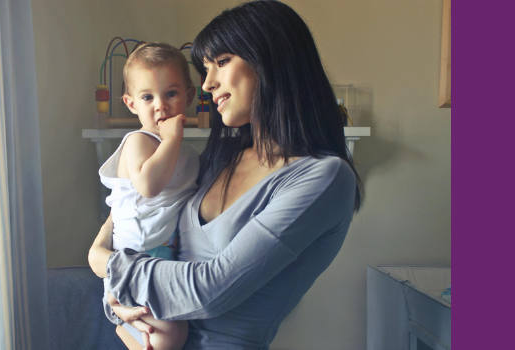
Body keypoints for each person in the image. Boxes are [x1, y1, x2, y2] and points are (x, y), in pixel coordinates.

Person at [88, 1, 364, 349]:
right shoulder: (222, 157)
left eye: (221, 62)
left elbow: (209, 291)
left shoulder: (323, 178)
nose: (207, 84)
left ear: (270, 59)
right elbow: (138, 204)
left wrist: (110, 265)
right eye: (205, 68)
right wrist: (102, 252)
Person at [97, 42, 201, 350]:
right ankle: (122, 321)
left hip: (163, 253)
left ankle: (124, 326)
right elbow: (148, 186)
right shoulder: (138, 141)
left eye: (171, 93)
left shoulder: (188, 153)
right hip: (134, 256)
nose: (160, 105)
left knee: (176, 333)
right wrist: (171, 139)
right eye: (147, 97)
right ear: (131, 104)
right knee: (166, 337)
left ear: (190, 96)